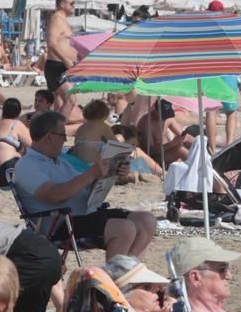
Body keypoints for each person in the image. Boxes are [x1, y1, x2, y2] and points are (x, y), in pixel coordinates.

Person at [12, 111, 157, 261]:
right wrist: (91, 173)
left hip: (86, 214)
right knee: (125, 229)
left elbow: (86, 185)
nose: (65, 140)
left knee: (146, 220)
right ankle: (116, 278)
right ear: (49, 137)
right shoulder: (28, 165)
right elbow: (53, 195)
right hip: (61, 224)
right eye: (62, 135)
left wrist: (113, 172)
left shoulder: (61, 161)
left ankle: (130, 272)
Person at [0, 98, 31, 187]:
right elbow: (34, 146)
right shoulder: (16, 124)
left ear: (3, 111)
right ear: (18, 113)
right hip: (10, 169)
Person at [43, 0, 77, 96]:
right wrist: (65, 60)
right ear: (62, 4)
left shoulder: (63, 20)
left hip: (63, 65)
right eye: (71, 3)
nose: (74, 6)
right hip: (57, 65)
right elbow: (51, 43)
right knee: (70, 99)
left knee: (59, 101)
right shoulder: (57, 19)